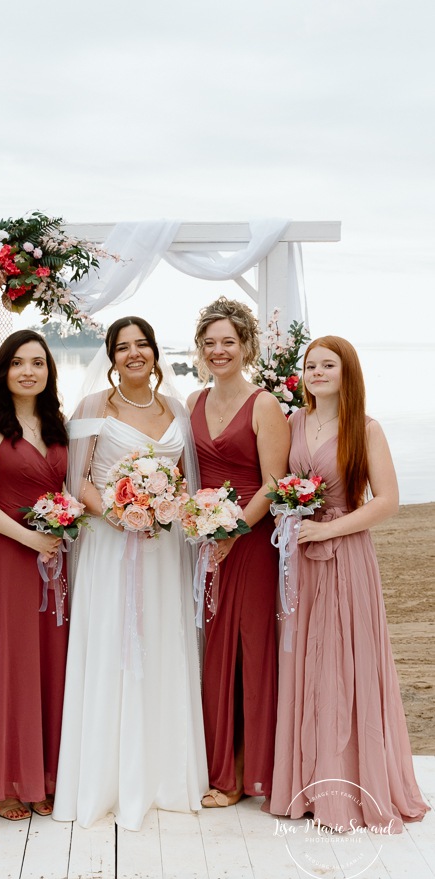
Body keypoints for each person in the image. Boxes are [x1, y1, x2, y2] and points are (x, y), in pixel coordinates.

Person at [266, 336, 428, 831]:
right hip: (299, 556)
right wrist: (292, 516)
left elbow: (387, 501)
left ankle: (350, 788)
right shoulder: (294, 421)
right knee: (302, 663)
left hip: (346, 551)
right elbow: (277, 485)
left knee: (344, 663)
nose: (316, 372)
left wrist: (327, 528)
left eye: (327, 365)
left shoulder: (366, 428)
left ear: (346, 372)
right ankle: (307, 785)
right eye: (310, 365)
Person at [52, 316, 207, 831]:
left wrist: (163, 506)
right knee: (110, 644)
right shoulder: (93, 408)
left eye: (143, 345)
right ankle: (104, 777)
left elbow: (184, 480)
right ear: (112, 357)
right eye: (123, 347)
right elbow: (78, 481)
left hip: (162, 547)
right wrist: (119, 512)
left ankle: (165, 774)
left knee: (162, 643)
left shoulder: (177, 410)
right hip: (109, 543)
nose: (134, 354)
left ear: (156, 353)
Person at [0, 330, 68, 821]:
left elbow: (66, 485)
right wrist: (30, 540)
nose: (30, 370)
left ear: (49, 371)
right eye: (19, 362)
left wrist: (63, 529)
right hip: (7, 558)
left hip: (53, 560)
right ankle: (6, 779)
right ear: (2, 369)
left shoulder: (55, 422)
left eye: (39, 363)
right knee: (10, 664)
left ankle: (42, 774)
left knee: (47, 663)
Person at [188, 297, 289, 807]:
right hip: (205, 543)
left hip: (249, 545)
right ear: (200, 351)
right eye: (210, 343)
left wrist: (232, 531)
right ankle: (216, 764)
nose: (219, 350)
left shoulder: (265, 405)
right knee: (212, 651)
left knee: (249, 651)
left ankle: (248, 772)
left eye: (228, 341)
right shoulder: (191, 401)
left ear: (246, 346)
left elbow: (274, 483)